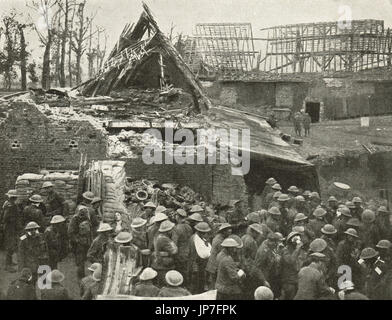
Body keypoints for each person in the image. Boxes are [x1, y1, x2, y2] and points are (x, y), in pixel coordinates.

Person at [280, 231, 307, 300]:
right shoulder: (285, 250)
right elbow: (290, 261)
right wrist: (298, 249)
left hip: (297, 280)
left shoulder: (298, 250)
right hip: (288, 282)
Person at [151, 220, 178, 286]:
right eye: (171, 230)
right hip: (163, 266)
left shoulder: (158, 236)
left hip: (159, 265)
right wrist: (174, 239)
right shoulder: (164, 239)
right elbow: (175, 250)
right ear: (168, 231)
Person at [2, 190, 23, 272]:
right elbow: (5, 217)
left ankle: (10, 262)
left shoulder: (7, 203)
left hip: (10, 227)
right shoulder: (11, 206)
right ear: (14, 197)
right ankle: (7, 265)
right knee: (10, 245)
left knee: (12, 244)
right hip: (10, 228)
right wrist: (14, 221)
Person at [206, 223, 232, 288]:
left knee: (213, 282)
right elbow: (223, 253)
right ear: (224, 231)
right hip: (215, 265)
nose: (230, 231)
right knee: (215, 284)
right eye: (228, 230)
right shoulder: (220, 241)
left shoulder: (218, 237)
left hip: (212, 264)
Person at [188, 222, 212, 294]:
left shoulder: (201, 239)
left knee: (200, 283)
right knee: (195, 285)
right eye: (204, 233)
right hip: (196, 265)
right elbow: (199, 254)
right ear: (200, 232)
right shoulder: (194, 240)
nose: (206, 234)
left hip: (201, 265)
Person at [172, 209, 193, 284]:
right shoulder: (188, 226)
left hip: (180, 253)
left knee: (180, 270)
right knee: (186, 270)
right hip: (188, 251)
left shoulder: (177, 228)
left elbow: (174, 243)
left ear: (178, 216)